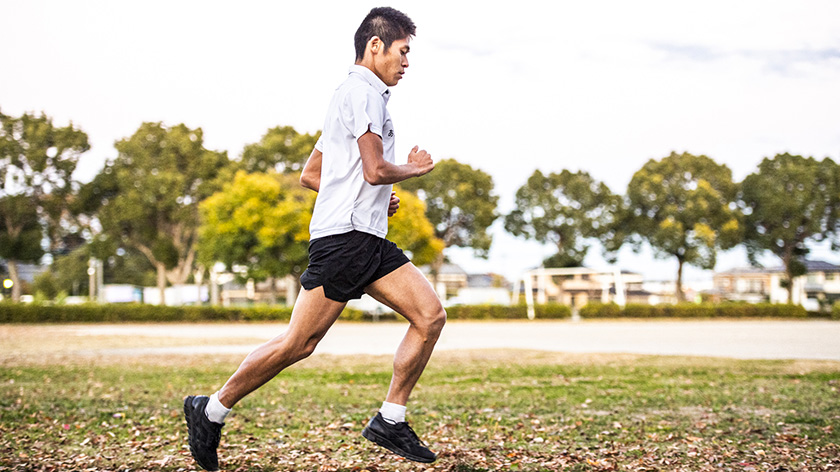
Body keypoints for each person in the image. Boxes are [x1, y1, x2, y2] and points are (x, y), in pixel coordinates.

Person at [183, 7, 446, 470]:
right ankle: (211, 409)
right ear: (376, 46)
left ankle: (391, 417)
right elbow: (375, 168)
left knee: (430, 316)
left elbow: (314, 174)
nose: (408, 63)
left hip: (365, 236)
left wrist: (373, 198)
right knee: (297, 344)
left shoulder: (359, 97)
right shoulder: (361, 93)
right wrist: (412, 169)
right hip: (344, 242)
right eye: (403, 52)